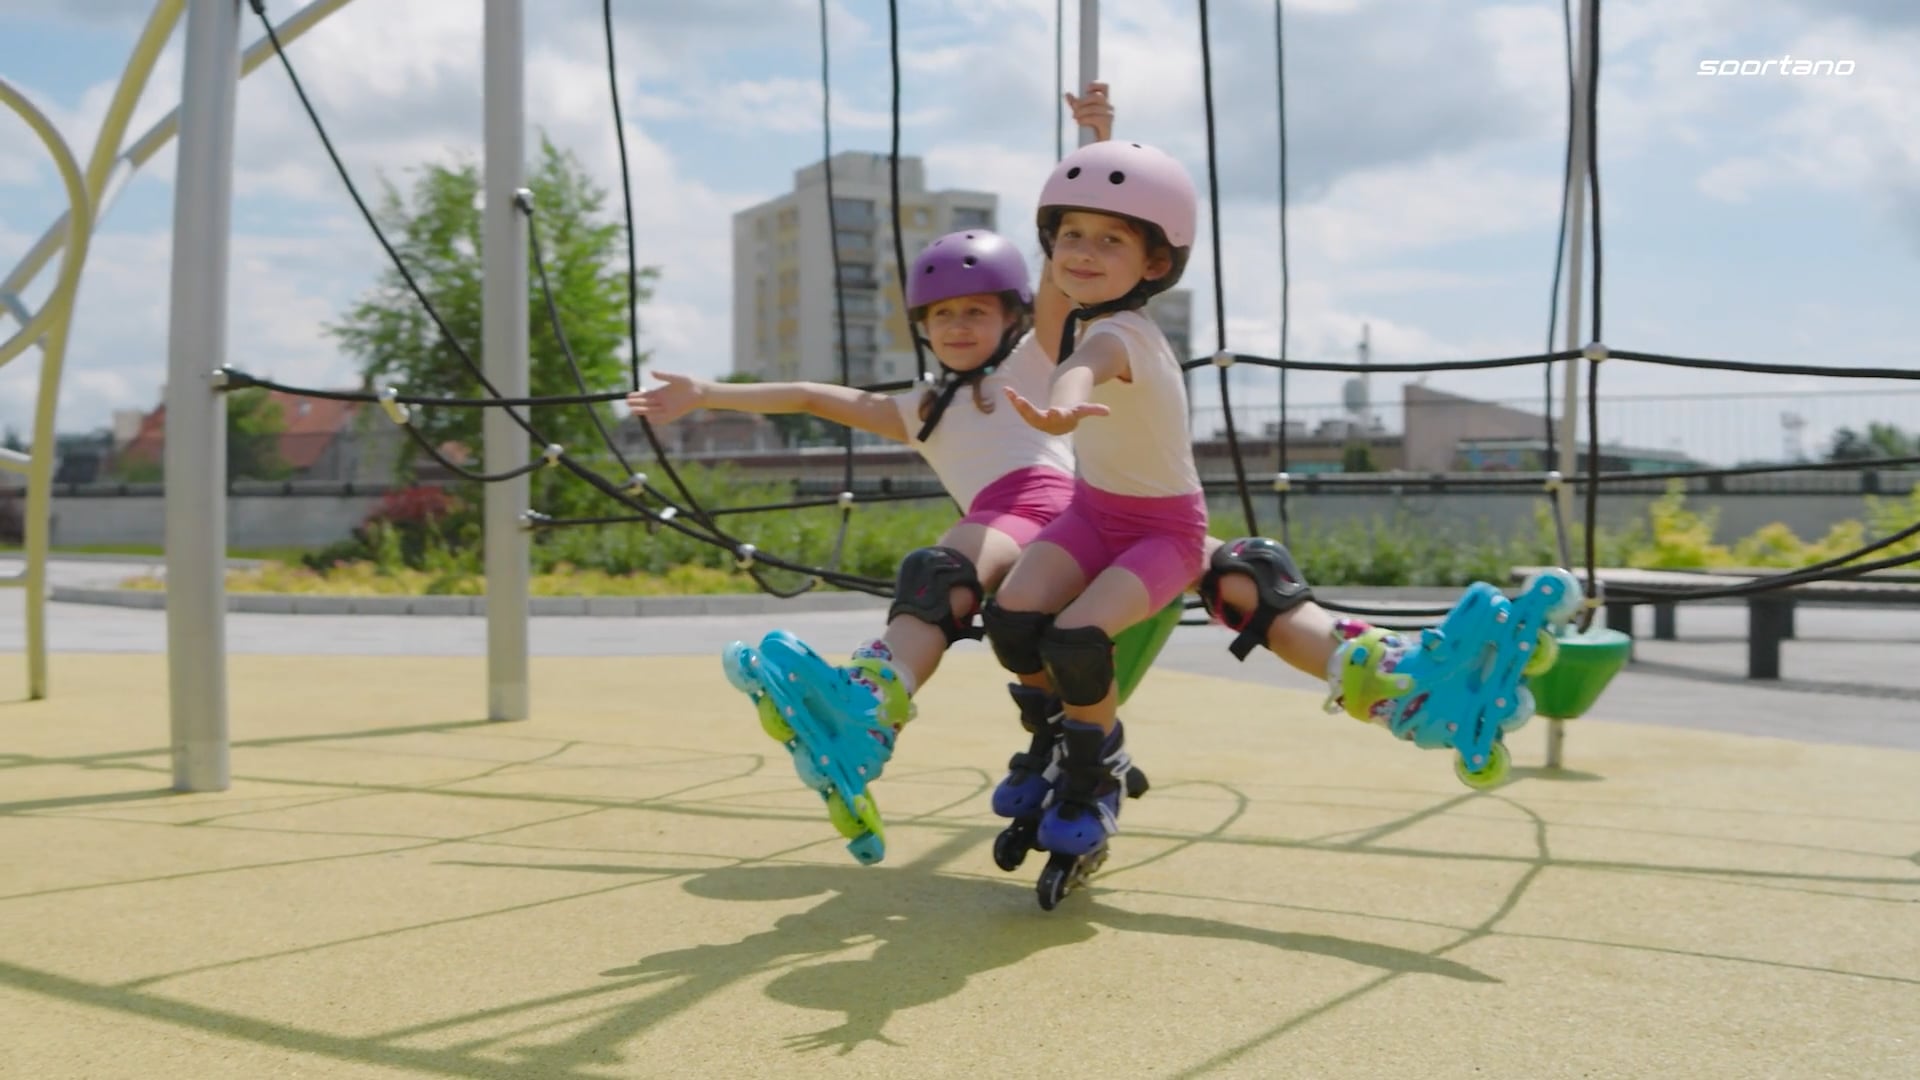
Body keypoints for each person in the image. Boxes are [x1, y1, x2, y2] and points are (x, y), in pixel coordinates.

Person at [627, 89, 1129, 864]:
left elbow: (1066, 263)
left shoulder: (1037, 356)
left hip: (1058, 516)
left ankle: (865, 706)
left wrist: (1096, 140)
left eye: (977, 312)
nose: (959, 326)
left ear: (1011, 318)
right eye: (943, 317)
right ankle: (869, 731)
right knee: (936, 581)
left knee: (943, 563)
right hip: (1007, 541)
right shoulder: (917, 408)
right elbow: (804, 395)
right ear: (923, 329)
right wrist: (706, 393)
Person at [979, 139, 1211, 862]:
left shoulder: (1121, 334)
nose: (1083, 251)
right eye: (1070, 234)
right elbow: (1066, 334)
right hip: (1092, 514)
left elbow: (1084, 367)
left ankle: (1093, 767)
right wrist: (1098, 128)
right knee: (1011, 620)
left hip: (1165, 534)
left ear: (1154, 264)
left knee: (1076, 639)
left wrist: (1063, 402)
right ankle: (1059, 739)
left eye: (1110, 239)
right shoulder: (1082, 316)